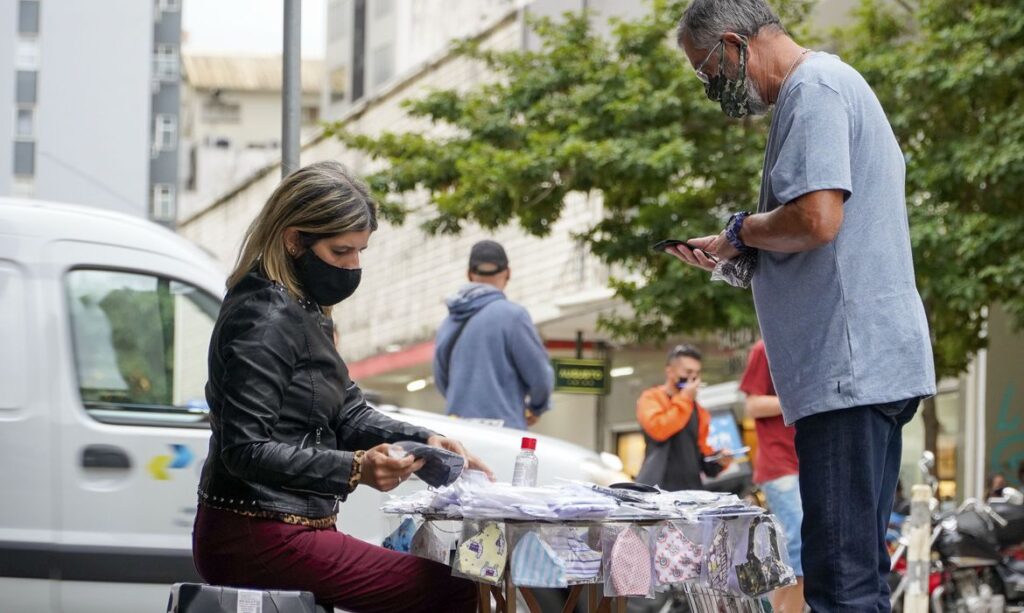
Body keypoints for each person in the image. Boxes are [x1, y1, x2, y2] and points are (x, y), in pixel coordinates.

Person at [672, 1, 936, 610]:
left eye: (707, 69)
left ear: (734, 44)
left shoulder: (813, 90)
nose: (712, 87)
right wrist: (735, 252)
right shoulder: (826, 85)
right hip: (863, 366)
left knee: (840, 580)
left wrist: (740, 230)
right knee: (858, 573)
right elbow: (820, 235)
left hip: (847, 371)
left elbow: (816, 220)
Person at [192, 161, 491, 613]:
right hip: (257, 534)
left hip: (287, 528)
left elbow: (349, 413)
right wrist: (354, 469)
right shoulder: (266, 317)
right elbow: (245, 448)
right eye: (340, 251)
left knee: (456, 581)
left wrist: (425, 440)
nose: (353, 266)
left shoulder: (304, 310)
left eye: (360, 251)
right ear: (294, 240)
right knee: (457, 589)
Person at [433, 240, 554, 430]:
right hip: (503, 431)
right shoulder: (514, 316)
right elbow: (540, 376)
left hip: (458, 431)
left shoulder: (449, 321)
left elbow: (441, 379)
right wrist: (536, 407)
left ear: (469, 274)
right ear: (508, 273)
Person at [739, 339, 804, 612]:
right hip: (780, 465)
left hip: (807, 465)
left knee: (802, 551)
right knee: (800, 546)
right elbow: (752, 405)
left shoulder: (812, 342)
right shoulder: (765, 347)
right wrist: (801, 400)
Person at [635, 344, 727, 491]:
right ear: (670, 371)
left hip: (691, 489)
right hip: (657, 488)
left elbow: (703, 453)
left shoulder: (698, 410)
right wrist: (684, 399)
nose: (692, 378)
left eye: (697, 373)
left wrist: (720, 460)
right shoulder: (651, 398)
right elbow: (659, 430)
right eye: (688, 371)